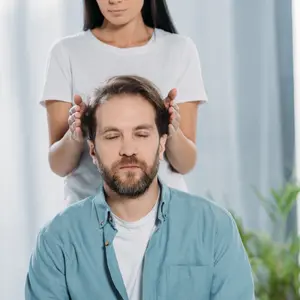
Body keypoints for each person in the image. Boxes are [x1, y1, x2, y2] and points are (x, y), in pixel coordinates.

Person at [26, 76, 254, 300]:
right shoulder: (56, 241)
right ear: (93, 150)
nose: (128, 149)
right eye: (113, 136)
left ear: (162, 143)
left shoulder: (214, 228)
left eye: (142, 134)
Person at [43, 0, 208, 204]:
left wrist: (172, 130)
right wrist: (75, 135)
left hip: (166, 216)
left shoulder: (180, 50)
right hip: (89, 219)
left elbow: (185, 164)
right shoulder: (65, 52)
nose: (114, 1)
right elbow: (59, 165)